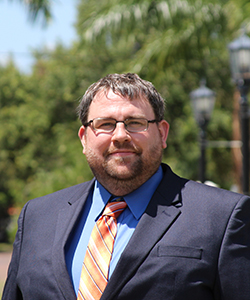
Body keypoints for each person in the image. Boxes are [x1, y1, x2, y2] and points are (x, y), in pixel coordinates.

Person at [2, 73, 250, 300]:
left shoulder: (222, 217)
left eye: (135, 122)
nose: (120, 135)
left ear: (162, 134)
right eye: (105, 124)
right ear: (84, 138)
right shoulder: (37, 217)